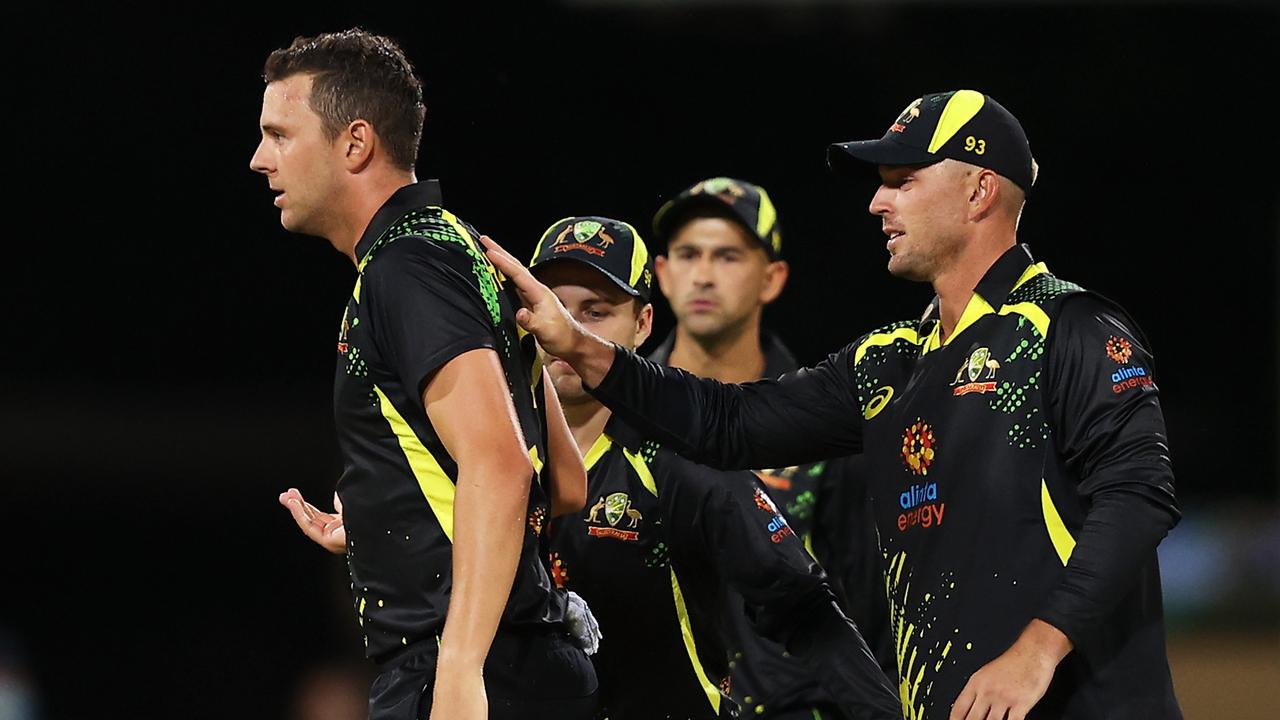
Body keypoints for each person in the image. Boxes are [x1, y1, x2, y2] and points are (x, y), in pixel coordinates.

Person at [481, 89, 1183, 720]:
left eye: (904, 182)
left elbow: (1139, 494)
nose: (879, 203)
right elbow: (732, 425)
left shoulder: (1070, 326)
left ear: (979, 192)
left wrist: (1038, 649)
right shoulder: (891, 359)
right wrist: (582, 347)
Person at [251, 29, 596, 720]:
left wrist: (461, 669)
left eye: (280, 135)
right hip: (515, 661)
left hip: (471, 665)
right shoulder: (452, 247)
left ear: (355, 143)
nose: (260, 159)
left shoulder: (407, 268)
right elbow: (563, 478)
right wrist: (391, 511)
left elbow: (501, 465)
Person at [529, 216, 900, 720]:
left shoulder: (682, 460)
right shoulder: (482, 448)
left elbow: (802, 603)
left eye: (595, 312)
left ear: (642, 325)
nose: (565, 331)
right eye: (551, 308)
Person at [649, 177, 893, 718]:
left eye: (729, 256)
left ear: (772, 278)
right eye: (688, 254)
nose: (704, 275)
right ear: (662, 274)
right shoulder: (618, 415)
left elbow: (873, 607)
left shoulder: (824, 426)